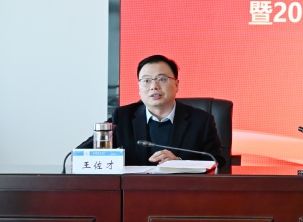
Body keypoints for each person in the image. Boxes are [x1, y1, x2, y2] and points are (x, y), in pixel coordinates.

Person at [78, 54, 225, 167]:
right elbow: (81, 153)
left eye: (162, 79)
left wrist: (180, 162)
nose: (154, 86)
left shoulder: (201, 121)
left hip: (182, 193)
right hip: (133, 194)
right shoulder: (122, 117)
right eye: (146, 81)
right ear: (139, 88)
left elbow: (217, 161)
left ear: (176, 85)